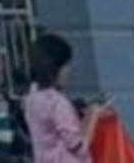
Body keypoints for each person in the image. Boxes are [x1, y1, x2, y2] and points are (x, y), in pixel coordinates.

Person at [26, 32, 93, 163]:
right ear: (55, 69)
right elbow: (78, 147)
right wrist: (93, 116)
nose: (70, 71)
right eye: (67, 66)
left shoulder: (32, 98)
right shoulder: (58, 103)